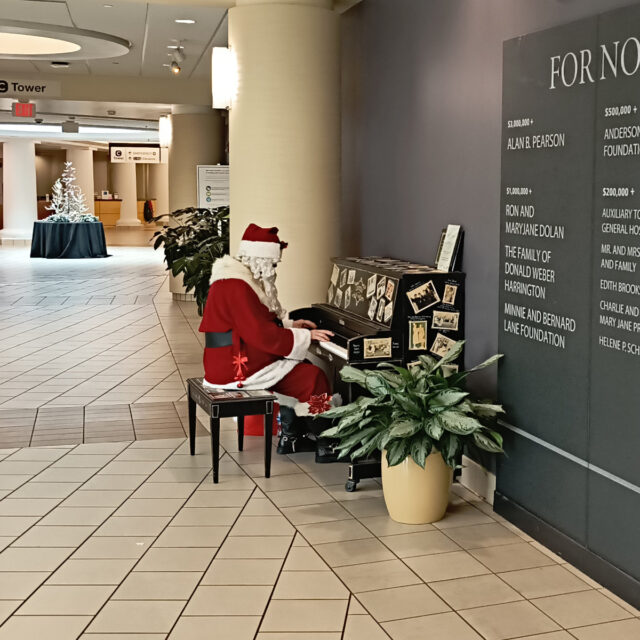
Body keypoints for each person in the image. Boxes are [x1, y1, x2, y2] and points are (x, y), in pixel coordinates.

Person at [199, 223, 336, 458]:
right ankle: (327, 443)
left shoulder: (233, 281)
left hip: (230, 358)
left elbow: (254, 324)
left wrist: (291, 326)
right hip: (237, 367)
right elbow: (261, 334)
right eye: (273, 263)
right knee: (312, 378)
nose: (274, 269)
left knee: (302, 370)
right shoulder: (238, 287)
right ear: (260, 258)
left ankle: (291, 438)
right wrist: (306, 336)